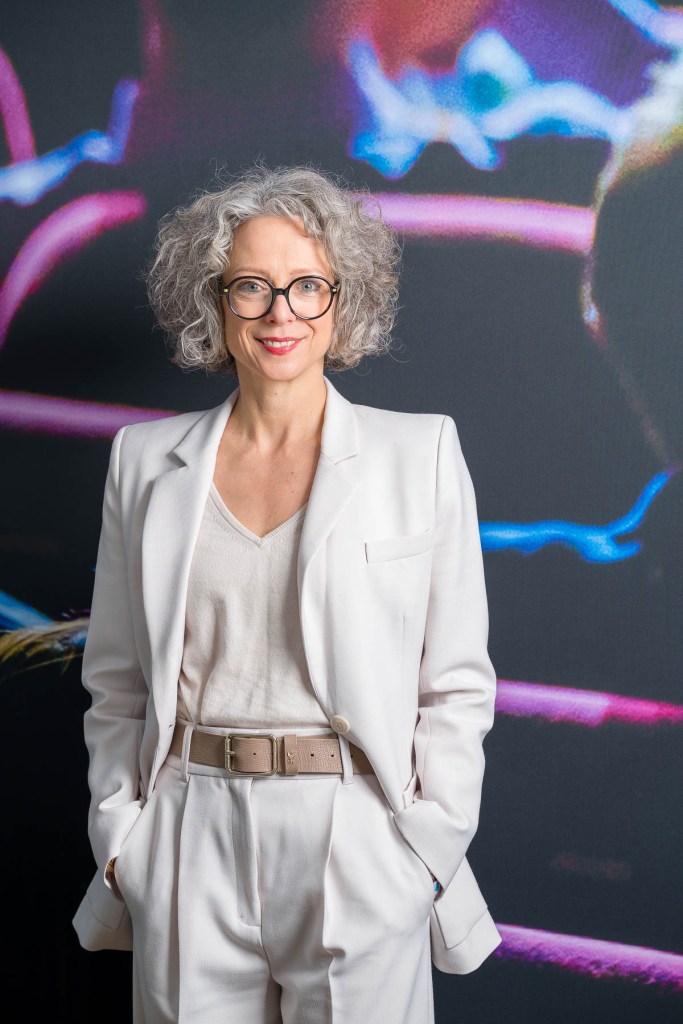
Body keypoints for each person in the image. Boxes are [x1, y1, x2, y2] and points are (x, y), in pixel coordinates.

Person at [72, 163, 501, 1023]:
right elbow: (115, 679)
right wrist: (124, 842)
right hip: (188, 827)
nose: (281, 314)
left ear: (342, 300)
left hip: (357, 834)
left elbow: (455, 683)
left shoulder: (419, 455)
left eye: (307, 286)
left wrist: (423, 851)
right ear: (215, 300)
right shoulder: (143, 461)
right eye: (252, 287)